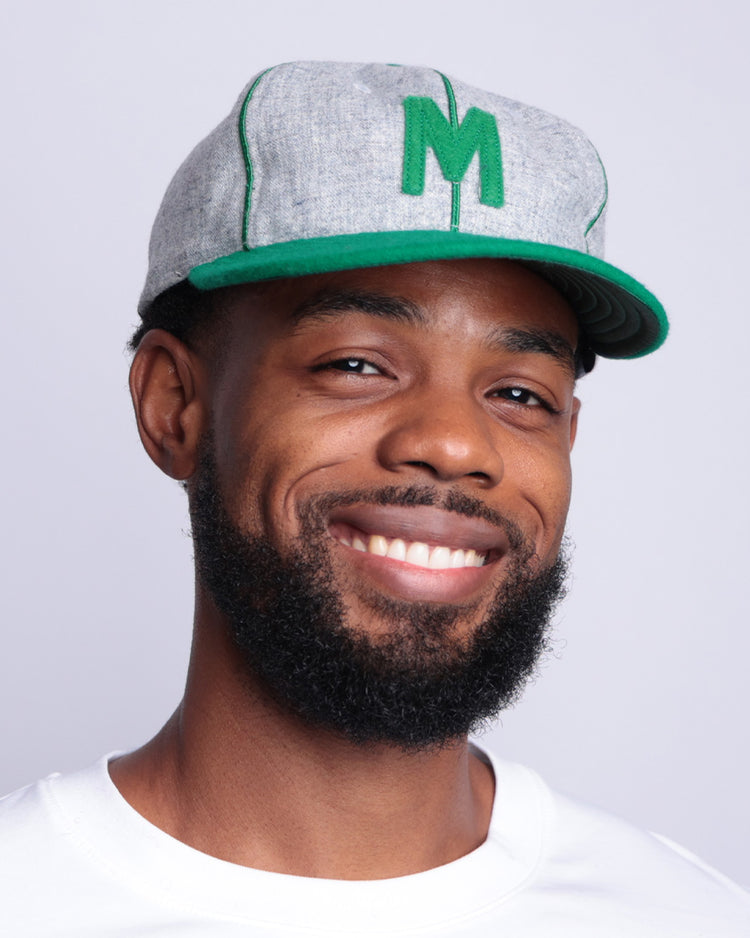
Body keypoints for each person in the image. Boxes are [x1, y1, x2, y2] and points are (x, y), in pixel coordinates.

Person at [1, 60, 747, 936]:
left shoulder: (687, 917)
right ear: (176, 406)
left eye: (520, 394)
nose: (457, 444)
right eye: (357, 364)